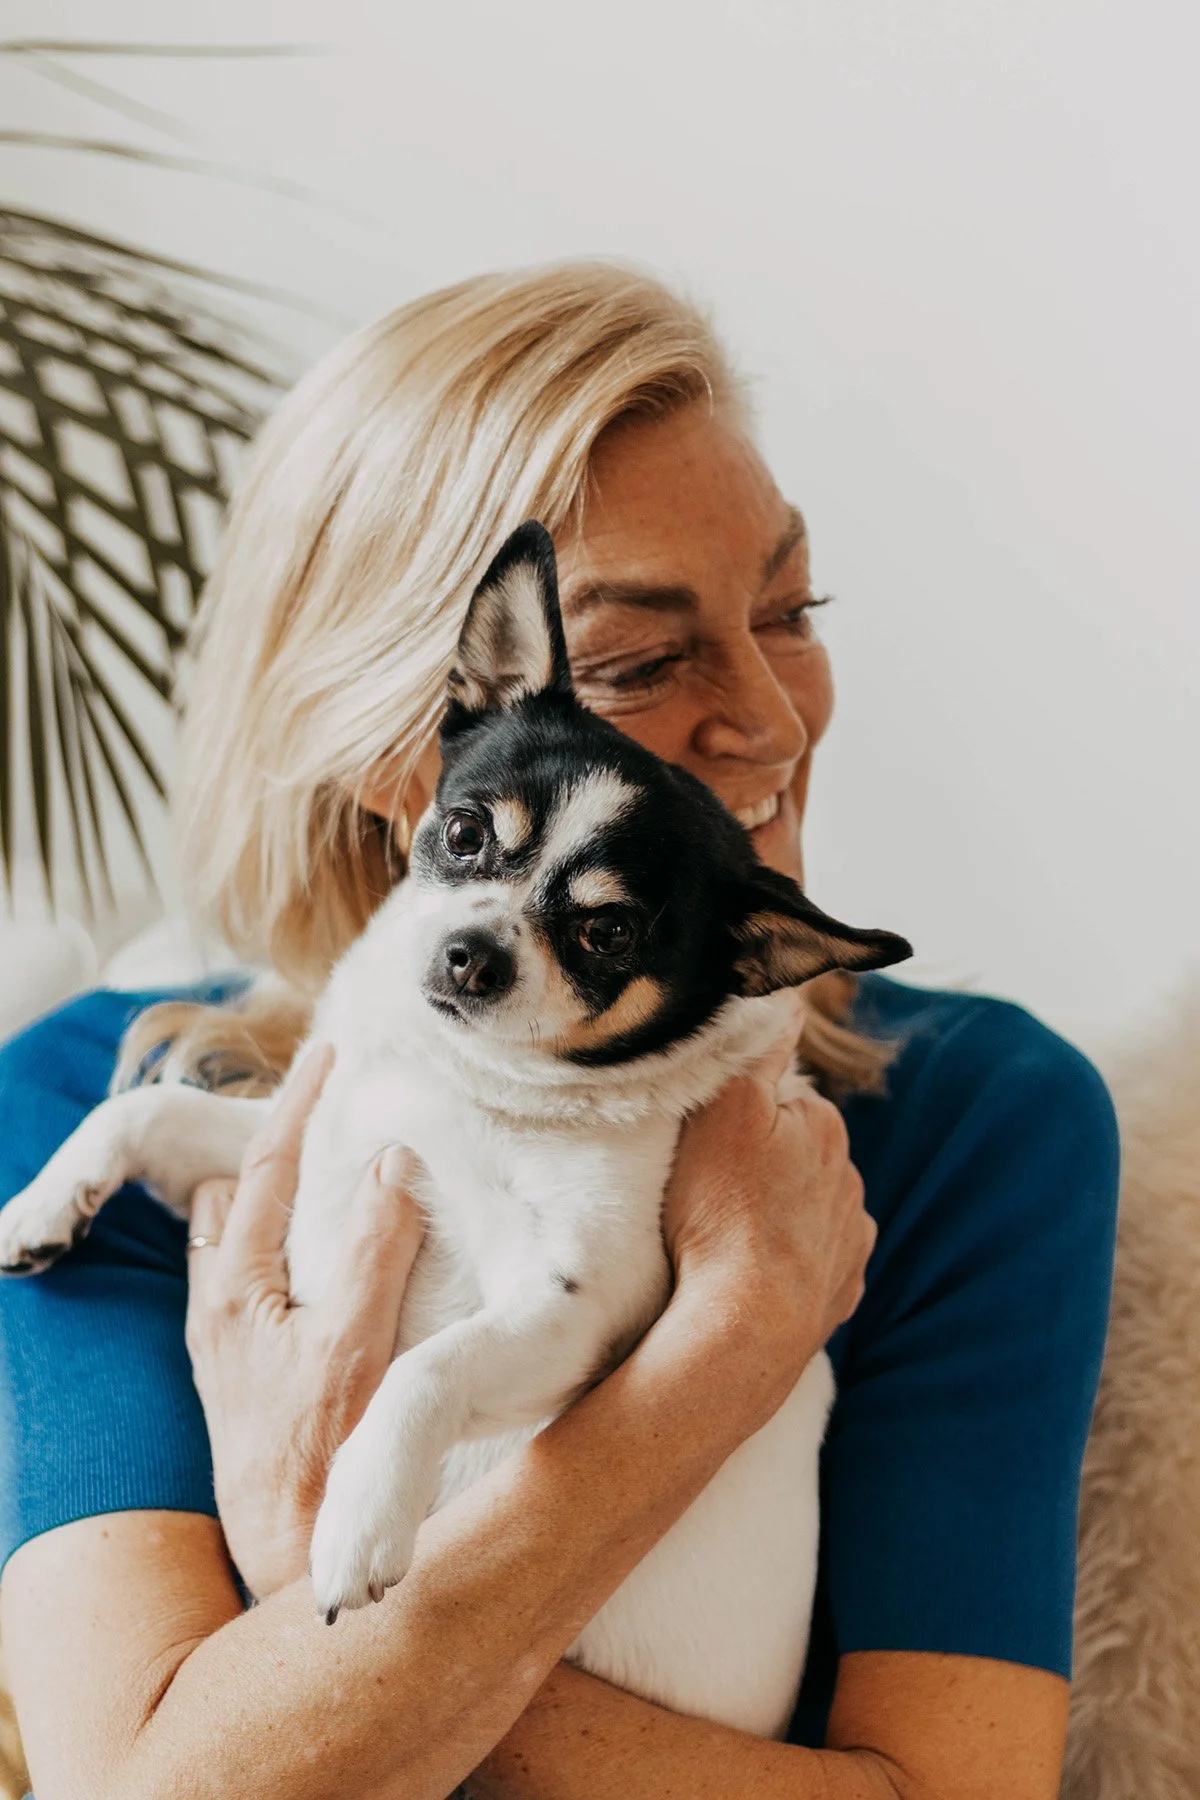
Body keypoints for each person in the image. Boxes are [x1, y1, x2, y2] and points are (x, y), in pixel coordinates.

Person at [0, 263, 1119, 1800]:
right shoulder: (91, 1097)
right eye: (646, 660)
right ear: (417, 747)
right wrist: (716, 1362)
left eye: (790, 609)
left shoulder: (973, 1116)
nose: (774, 721)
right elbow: (135, 1791)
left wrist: (311, 1570)